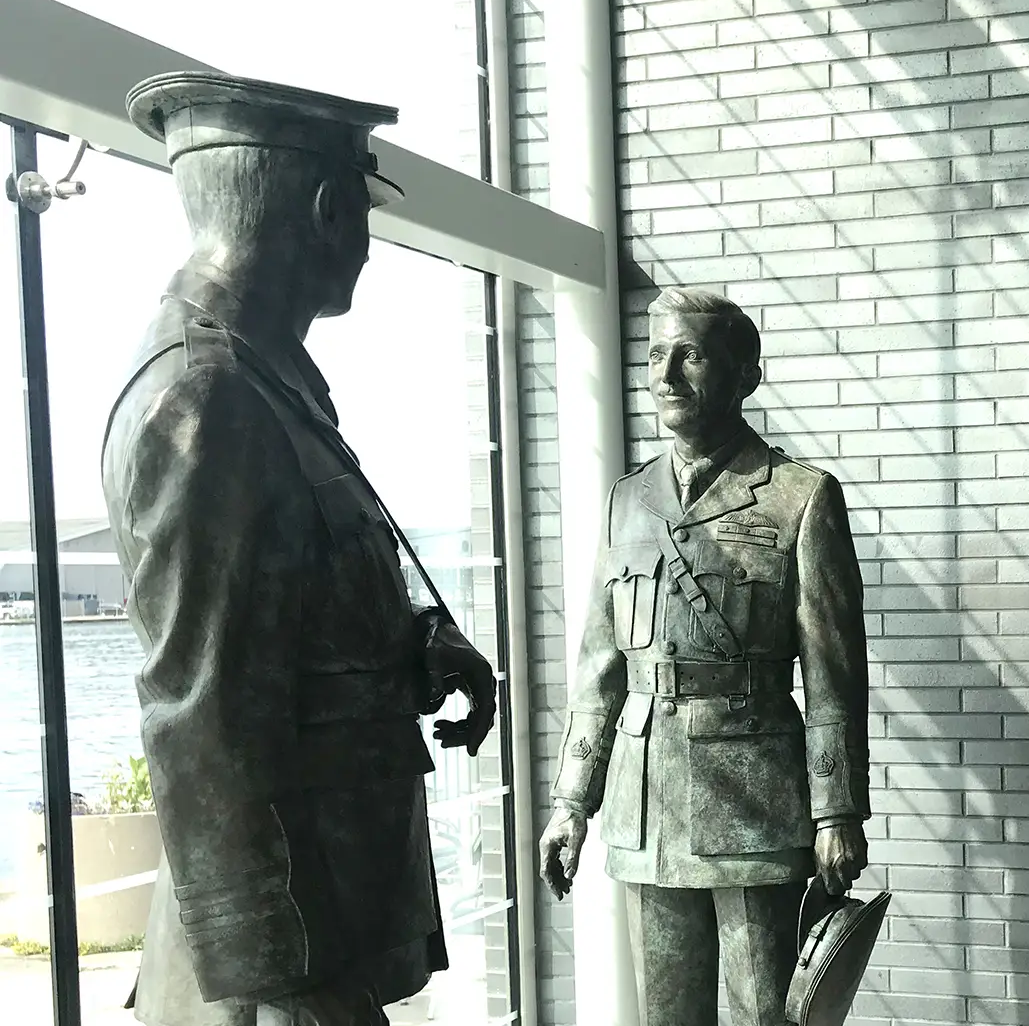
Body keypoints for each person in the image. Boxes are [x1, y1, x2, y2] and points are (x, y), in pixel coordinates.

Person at [102, 71, 497, 1026]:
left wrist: (411, 643)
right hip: (287, 966)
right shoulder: (208, 397)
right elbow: (200, 720)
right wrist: (280, 981)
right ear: (327, 210)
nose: (366, 242)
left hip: (329, 926)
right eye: (363, 209)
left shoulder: (269, 379)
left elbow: (293, 611)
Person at [539, 287, 870, 1026]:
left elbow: (834, 676)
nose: (665, 375)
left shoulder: (798, 497)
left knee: (764, 1014)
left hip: (755, 803)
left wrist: (837, 811)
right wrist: (571, 803)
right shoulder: (629, 500)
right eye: (656, 355)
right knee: (666, 1015)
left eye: (689, 356)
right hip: (646, 804)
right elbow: (600, 669)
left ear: (746, 374)